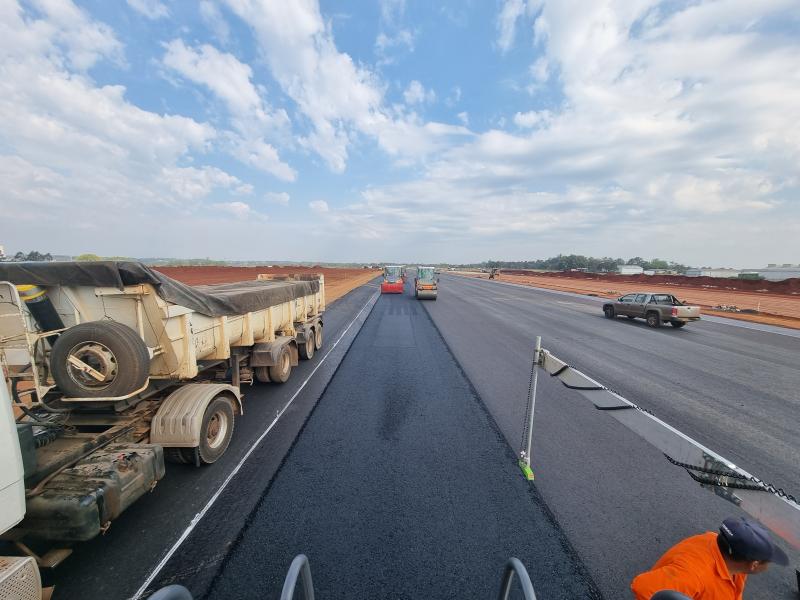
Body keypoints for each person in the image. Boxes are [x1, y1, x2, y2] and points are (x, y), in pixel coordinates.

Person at [631, 516, 789, 599]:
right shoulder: (693, 575)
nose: (768, 565)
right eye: (768, 561)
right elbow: (643, 588)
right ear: (754, 565)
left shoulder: (730, 555)